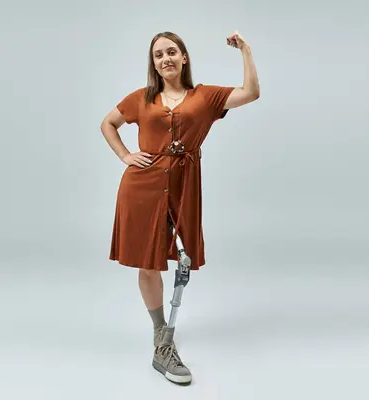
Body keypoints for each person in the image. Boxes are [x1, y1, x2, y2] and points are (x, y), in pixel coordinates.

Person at [100, 30, 260, 383]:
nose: (165, 59)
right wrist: (126, 155)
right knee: (148, 260)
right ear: (153, 64)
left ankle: (165, 336)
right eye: (158, 55)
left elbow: (251, 93)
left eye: (171, 52)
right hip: (141, 186)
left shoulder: (204, 97)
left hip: (183, 185)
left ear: (183, 57)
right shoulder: (141, 98)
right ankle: (162, 336)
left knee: (182, 259)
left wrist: (246, 51)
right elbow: (107, 123)